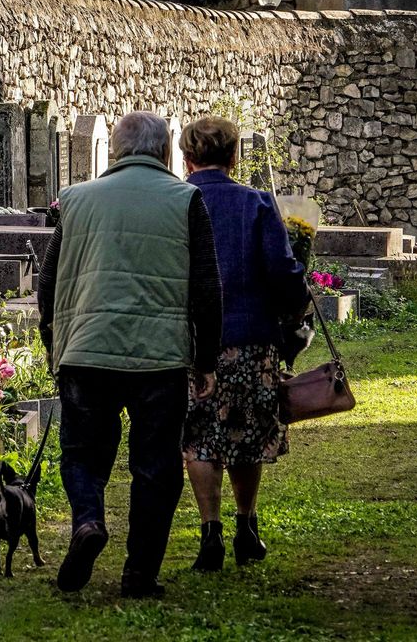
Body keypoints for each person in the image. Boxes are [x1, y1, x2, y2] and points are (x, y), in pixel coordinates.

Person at [38, 111, 223, 598]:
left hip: (86, 349)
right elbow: (206, 285)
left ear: (116, 152)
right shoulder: (186, 199)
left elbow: (49, 279)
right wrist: (205, 360)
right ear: (165, 152)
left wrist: (52, 338)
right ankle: (139, 572)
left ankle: (88, 522)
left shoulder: (75, 199)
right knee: (156, 467)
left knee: (81, 453)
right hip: (158, 358)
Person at [177, 117, 310, 572]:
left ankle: (209, 531)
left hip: (192, 341)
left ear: (186, 157)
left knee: (198, 437)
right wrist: (298, 306)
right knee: (246, 432)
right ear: (235, 157)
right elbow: (283, 270)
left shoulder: (177, 201)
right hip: (251, 336)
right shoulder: (256, 203)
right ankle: (246, 524)